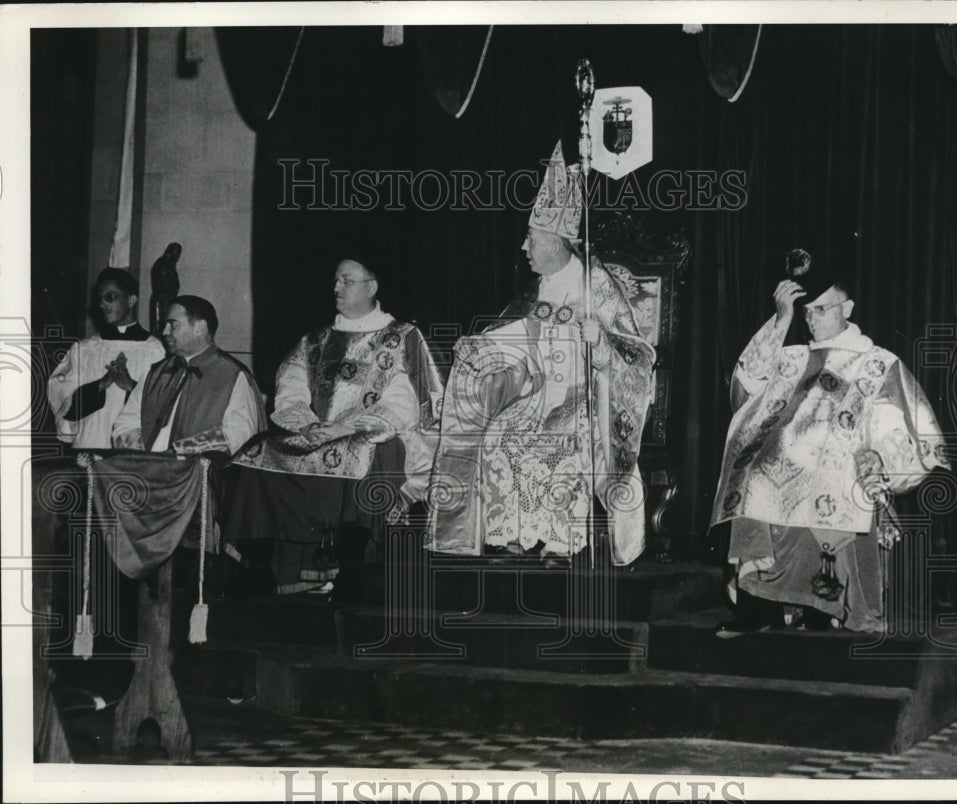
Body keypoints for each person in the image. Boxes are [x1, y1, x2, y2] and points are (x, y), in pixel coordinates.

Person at [428, 142, 656, 565]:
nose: (524, 247)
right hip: (535, 396)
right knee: (498, 436)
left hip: (587, 399)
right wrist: (477, 348)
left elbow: (637, 355)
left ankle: (559, 542)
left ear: (557, 241)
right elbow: (511, 337)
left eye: (531, 238)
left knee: (562, 441)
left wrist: (600, 344)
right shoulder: (534, 290)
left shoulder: (596, 285)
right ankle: (510, 536)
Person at [710, 248, 950, 635]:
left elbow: (897, 422)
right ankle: (759, 607)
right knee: (750, 475)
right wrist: (781, 318)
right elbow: (745, 387)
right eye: (807, 312)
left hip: (840, 464)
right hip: (782, 466)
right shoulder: (792, 357)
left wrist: (880, 455)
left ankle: (822, 608)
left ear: (847, 308)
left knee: (828, 486)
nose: (812, 320)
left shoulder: (876, 363)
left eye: (822, 310)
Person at [224, 258, 443, 595]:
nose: (336, 287)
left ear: (371, 287)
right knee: (257, 451)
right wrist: (307, 424)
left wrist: (348, 428)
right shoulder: (316, 339)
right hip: (316, 432)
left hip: (374, 434)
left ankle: (350, 568)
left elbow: (406, 399)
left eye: (346, 281)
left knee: (363, 453)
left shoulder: (402, 337)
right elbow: (291, 386)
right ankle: (263, 568)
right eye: (336, 280)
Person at [112, 295, 265, 455]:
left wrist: (178, 453)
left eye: (172, 324)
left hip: (198, 469)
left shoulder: (233, 375)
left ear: (200, 327)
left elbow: (238, 434)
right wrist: (143, 458)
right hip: (147, 467)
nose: (164, 332)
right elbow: (126, 422)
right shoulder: (157, 373)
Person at [47, 268, 164, 449]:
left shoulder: (155, 350)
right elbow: (62, 401)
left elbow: (163, 408)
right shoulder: (85, 349)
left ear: (131, 300)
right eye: (99, 298)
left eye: (110, 297)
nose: (102, 304)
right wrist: (99, 386)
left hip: (132, 451)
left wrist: (131, 387)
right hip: (88, 445)